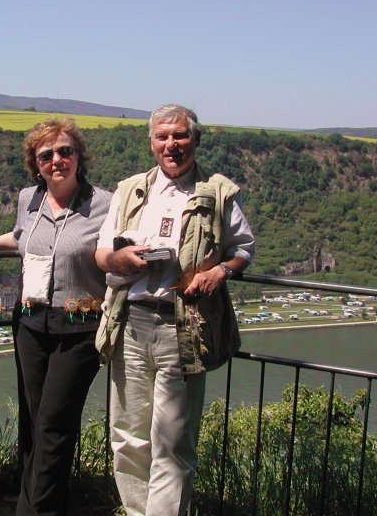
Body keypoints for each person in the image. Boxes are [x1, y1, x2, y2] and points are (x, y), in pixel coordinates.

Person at [94, 104, 255, 516]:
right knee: (128, 435)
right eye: (163, 137)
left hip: (182, 328)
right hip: (130, 323)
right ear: (152, 143)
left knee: (172, 442)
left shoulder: (218, 192)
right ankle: (136, 511)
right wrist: (123, 260)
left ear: (195, 140)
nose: (172, 145)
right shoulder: (129, 189)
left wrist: (220, 271)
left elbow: (243, 249)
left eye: (180, 136)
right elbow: (101, 254)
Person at [0, 118, 112, 516]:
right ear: (35, 164)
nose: (56, 160)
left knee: (54, 425)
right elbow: (20, 237)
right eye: (46, 155)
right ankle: (48, 504)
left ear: (79, 156)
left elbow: (115, 252)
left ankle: (31, 510)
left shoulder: (106, 204)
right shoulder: (29, 199)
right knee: (34, 419)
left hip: (79, 327)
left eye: (65, 151)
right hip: (29, 323)